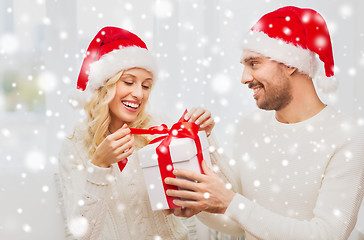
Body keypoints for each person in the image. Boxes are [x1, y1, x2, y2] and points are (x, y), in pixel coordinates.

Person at [164, 6, 364, 240]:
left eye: (254, 63)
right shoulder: (250, 127)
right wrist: (203, 206)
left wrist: (231, 203)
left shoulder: (346, 137)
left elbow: (327, 235)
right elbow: (240, 224)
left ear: (290, 63)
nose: (244, 78)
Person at [58, 26, 216, 239]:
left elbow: (204, 194)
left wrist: (204, 139)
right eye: (129, 82)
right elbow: (83, 234)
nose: (139, 93)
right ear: (105, 85)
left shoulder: (161, 128)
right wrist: (99, 165)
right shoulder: (74, 148)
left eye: (146, 85)